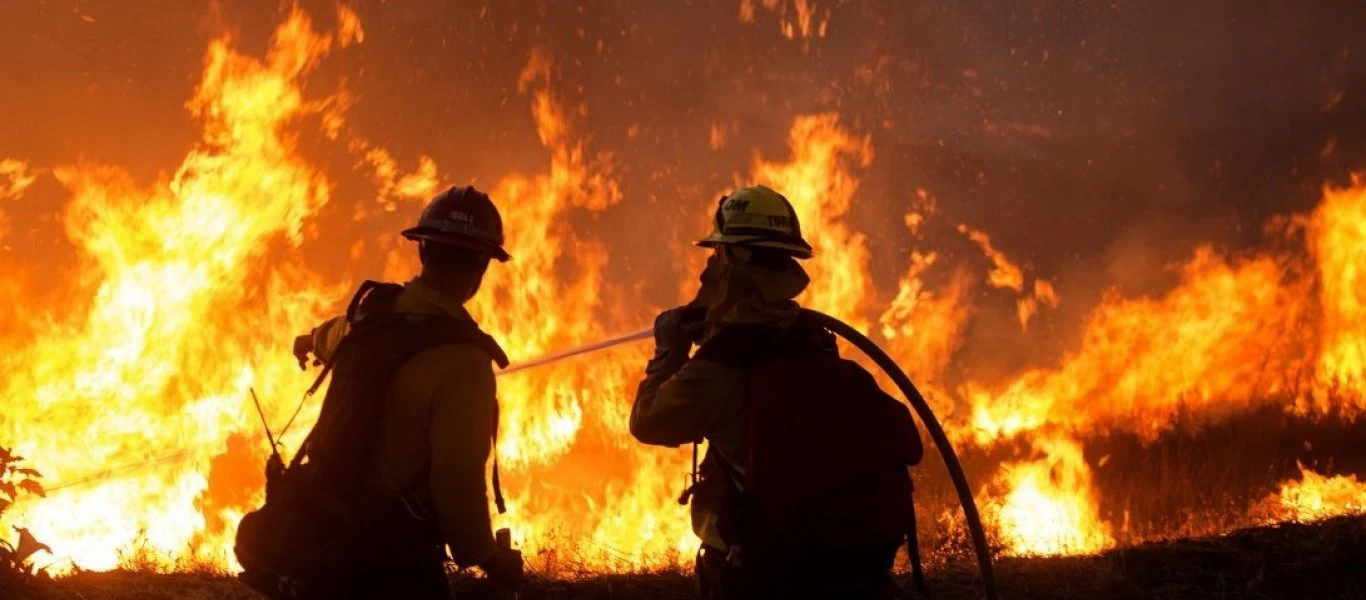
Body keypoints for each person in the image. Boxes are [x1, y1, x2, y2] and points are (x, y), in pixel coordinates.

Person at [630, 185, 923, 599]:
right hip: (849, 561)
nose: (708, 269)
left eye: (716, 256)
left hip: (769, 565)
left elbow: (648, 422)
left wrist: (667, 351)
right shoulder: (811, 337)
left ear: (731, 261)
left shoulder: (724, 363)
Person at [245, 185, 522, 599]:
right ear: (482, 267)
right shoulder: (464, 363)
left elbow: (328, 336)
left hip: (323, 536)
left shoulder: (371, 317)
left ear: (423, 252)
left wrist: (305, 342)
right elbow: (458, 487)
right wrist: (490, 560)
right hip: (391, 562)